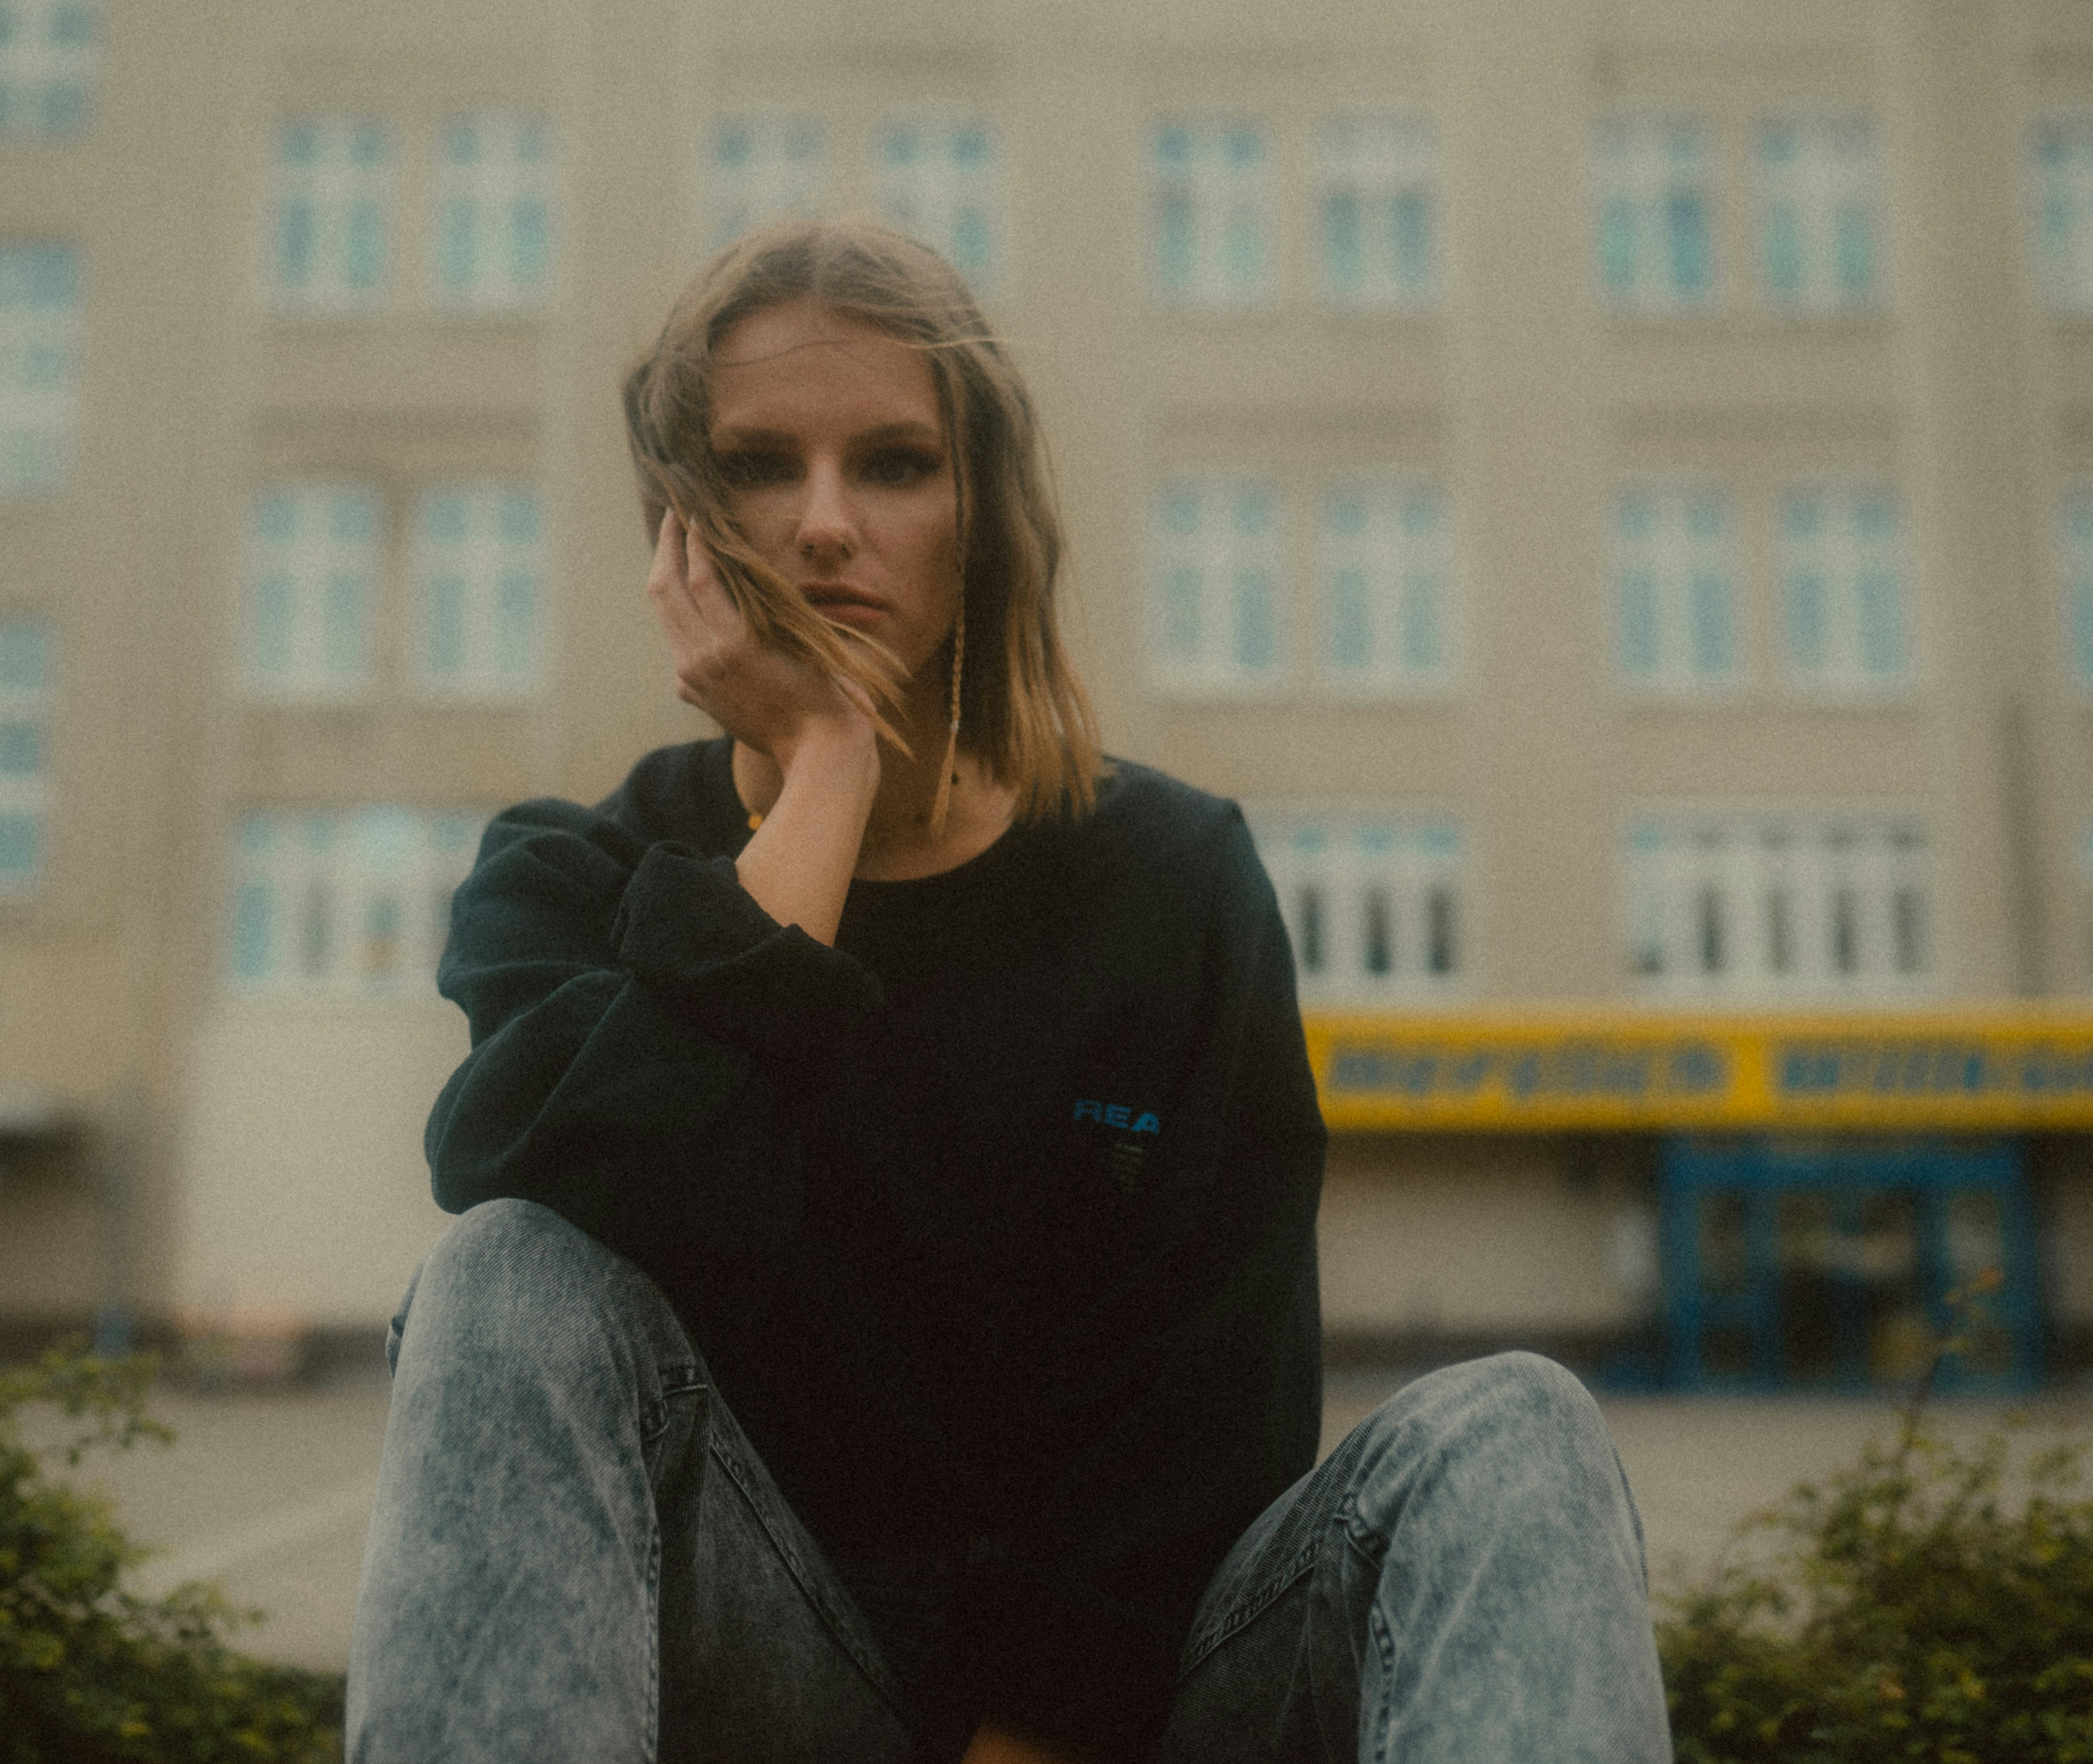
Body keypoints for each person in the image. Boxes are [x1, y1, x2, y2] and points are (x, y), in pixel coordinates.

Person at [345, 221, 1670, 1764]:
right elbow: (603, 1212)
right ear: (683, 533)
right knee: (503, 1265)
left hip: (1129, 1706)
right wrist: (827, 768)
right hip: (753, 1663)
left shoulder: (1167, 880)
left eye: (895, 465)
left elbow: (1212, 1419)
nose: (826, 525)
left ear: (978, 515)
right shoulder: (570, 879)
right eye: (764, 466)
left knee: (1515, 1424)